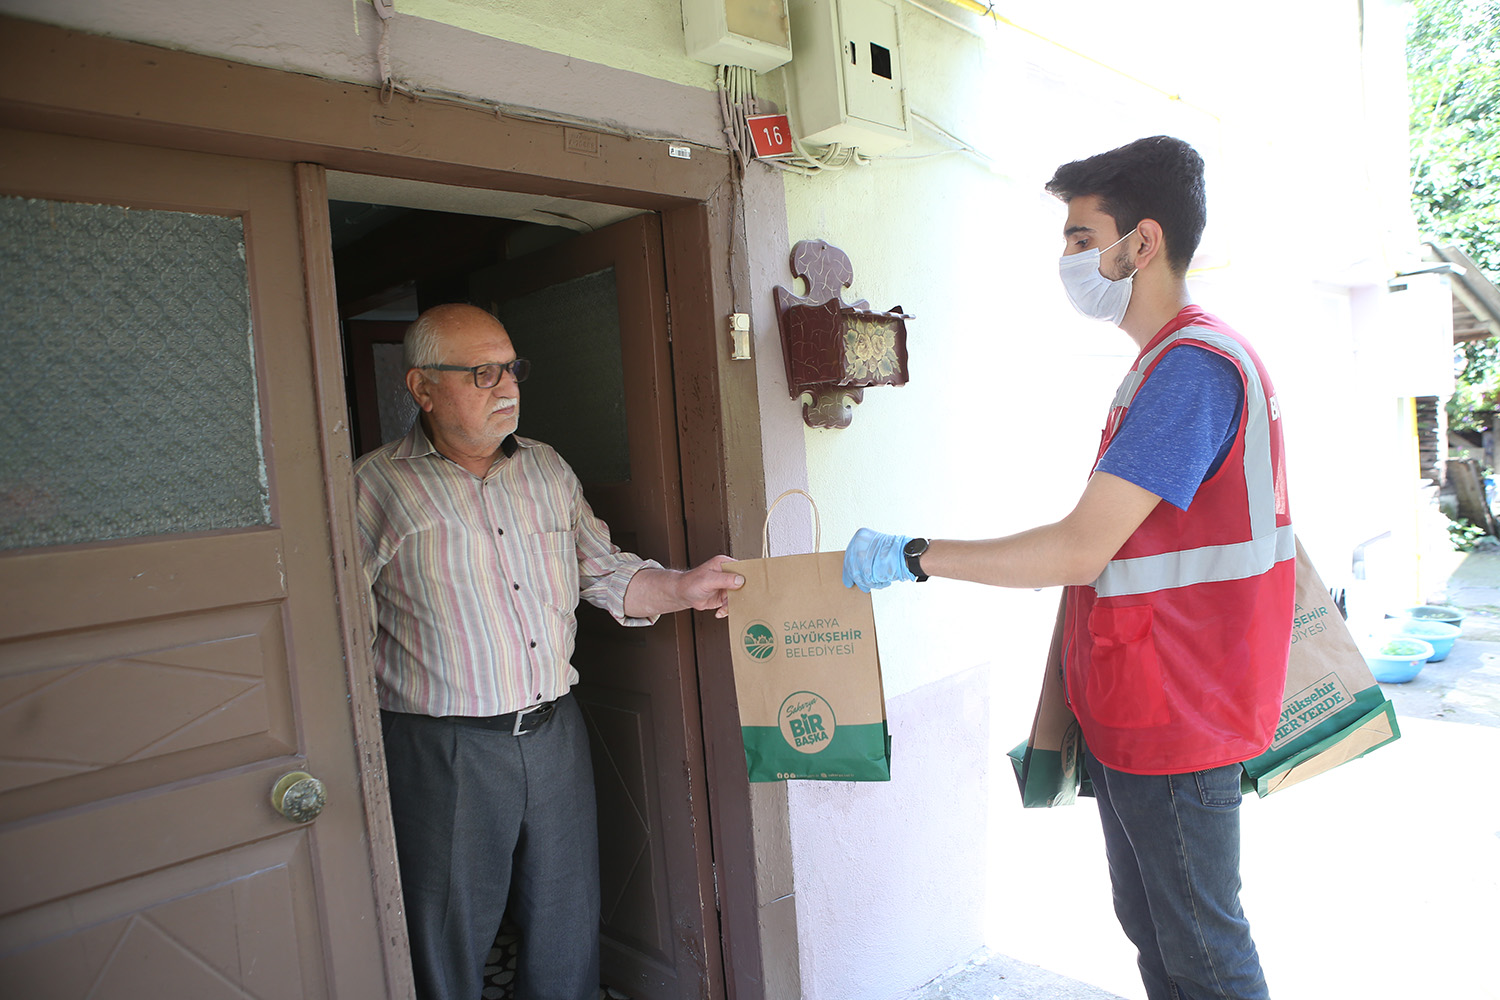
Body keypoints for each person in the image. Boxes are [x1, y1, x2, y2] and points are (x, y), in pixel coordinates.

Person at [843, 136, 1293, 1000]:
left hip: (1178, 711)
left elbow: (1080, 548)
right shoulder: (1164, 365)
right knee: (1160, 937)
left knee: (1202, 953)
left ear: (1143, 244)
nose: (1069, 261)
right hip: (1150, 704)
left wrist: (913, 556)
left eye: (1083, 240)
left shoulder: (1190, 371)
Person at [354, 302, 744, 1000]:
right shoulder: (371, 488)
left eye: (512, 368)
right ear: (421, 388)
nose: (507, 388)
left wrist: (683, 586)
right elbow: (336, 629)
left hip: (553, 731)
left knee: (565, 916)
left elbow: (603, 569)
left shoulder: (546, 470)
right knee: (447, 931)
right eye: (481, 373)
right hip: (442, 749)